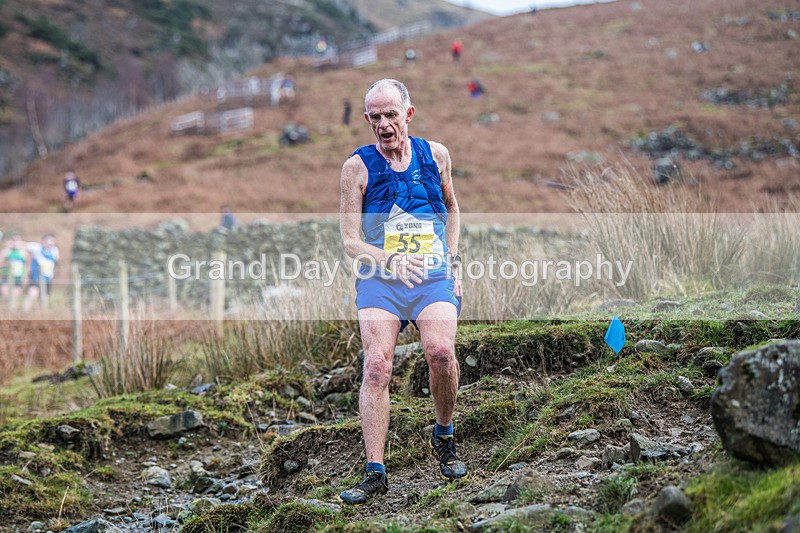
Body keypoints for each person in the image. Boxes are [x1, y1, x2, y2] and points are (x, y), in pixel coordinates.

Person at [339, 79, 465, 505]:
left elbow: (452, 208)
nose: (383, 124)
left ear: (408, 114)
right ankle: (375, 471)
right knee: (376, 365)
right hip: (381, 280)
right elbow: (350, 242)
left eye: (391, 115)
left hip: (432, 277)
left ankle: (444, 435)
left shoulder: (437, 155)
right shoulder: (357, 167)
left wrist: (453, 259)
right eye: (374, 117)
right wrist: (388, 259)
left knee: (441, 354)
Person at [23, 233, 59, 312]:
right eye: (48, 240)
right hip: (36, 276)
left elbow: (55, 264)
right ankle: (24, 312)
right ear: (43, 241)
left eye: (52, 241)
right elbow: (23, 245)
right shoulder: (37, 248)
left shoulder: (55, 251)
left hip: (47, 278)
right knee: (32, 294)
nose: (50, 243)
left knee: (44, 298)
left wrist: (53, 275)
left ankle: (40, 315)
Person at [0, 234, 30, 310]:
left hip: (19, 277)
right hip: (6, 276)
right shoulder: (6, 251)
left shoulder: (24, 252)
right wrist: (6, 263)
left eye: (18, 240)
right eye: (14, 240)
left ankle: (13, 313)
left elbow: (28, 265)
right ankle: (5, 309)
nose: (16, 242)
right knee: (5, 293)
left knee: (15, 296)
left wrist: (26, 276)